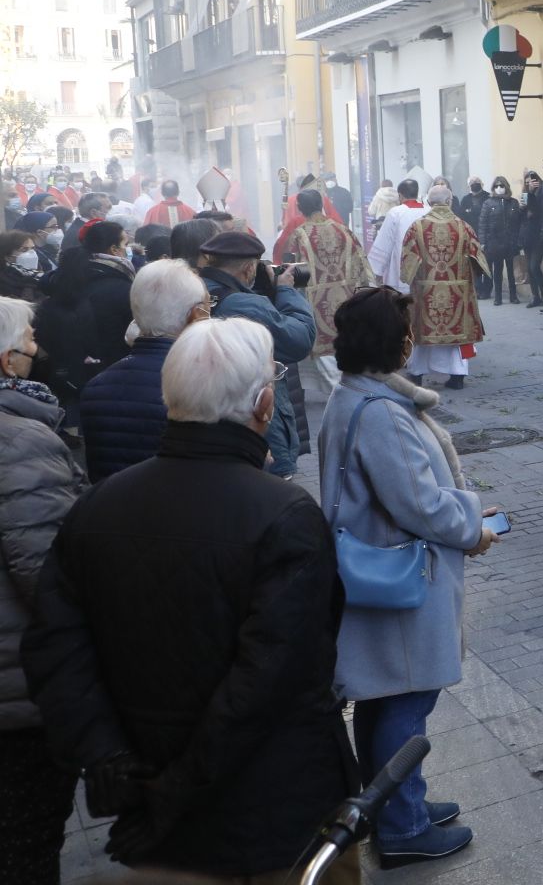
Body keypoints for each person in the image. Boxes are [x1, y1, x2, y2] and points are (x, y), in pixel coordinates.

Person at [23, 318, 358, 880]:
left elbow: (55, 650)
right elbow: (268, 685)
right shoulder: (285, 515)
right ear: (265, 404)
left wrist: (110, 758)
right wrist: (167, 793)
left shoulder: (98, 504)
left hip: (155, 807)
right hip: (274, 820)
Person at [319, 287, 494, 867]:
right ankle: (402, 825)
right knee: (406, 699)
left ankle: (391, 803)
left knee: (387, 695)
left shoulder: (355, 398)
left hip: (383, 564)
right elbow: (420, 505)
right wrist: (474, 528)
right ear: (391, 344)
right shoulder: (382, 416)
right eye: (405, 331)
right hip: (401, 573)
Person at [0, 296, 89, 876]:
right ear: (7, 360)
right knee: (26, 850)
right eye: (29, 338)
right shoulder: (19, 441)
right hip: (17, 693)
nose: (37, 348)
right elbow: (46, 572)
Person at [76, 260, 210, 484]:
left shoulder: (96, 387)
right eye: (208, 305)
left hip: (113, 512)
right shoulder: (200, 384)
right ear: (195, 315)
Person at [196, 231, 316, 478]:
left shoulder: (192, 292)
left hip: (204, 413)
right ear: (250, 267)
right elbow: (299, 339)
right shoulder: (245, 304)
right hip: (252, 421)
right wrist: (286, 291)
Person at [280, 187, 374, 387]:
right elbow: (361, 263)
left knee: (324, 345)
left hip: (316, 299)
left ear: (300, 208)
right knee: (345, 336)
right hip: (346, 297)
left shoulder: (299, 235)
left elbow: (290, 271)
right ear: (321, 205)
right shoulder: (343, 230)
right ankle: (352, 381)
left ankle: (337, 387)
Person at [35, 219, 137, 405]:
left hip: (72, 374)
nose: (128, 250)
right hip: (110, 372)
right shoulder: (121, 288)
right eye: (126, 244)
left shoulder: (71, 275)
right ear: (114, 250)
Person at [400, 185, 486, 390]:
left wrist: (411, 280)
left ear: (429, 202)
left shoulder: (417, 227)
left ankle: (417, 373)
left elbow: (407, 261)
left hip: (425, 292)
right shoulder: (464, 227)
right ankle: (457, 376)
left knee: (422, 331)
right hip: (458, 292)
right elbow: (477, 258)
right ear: (450, 202)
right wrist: (469, 280)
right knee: (456, 333)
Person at [367, 177, 428, 289]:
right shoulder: (429, 211)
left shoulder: (396, 213)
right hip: (426, 271)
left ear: (400, 195)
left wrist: (376, 271)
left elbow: (385, 242)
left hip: (402, 270)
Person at [479, 177, 523, 305]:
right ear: (493, 188)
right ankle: (498, 297)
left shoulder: (513, 202)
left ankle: (513, 296)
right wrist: (483, 242)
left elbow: (519, 223)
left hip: (511, 242)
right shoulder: (488, 203)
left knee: (512, 272)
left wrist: (519, 241)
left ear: (506, 187)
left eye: (502, 185)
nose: (499, 188)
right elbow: (483, 224)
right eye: (497, 186)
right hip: (495, 242)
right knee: (497, 271)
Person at [520, 170, 543, 311]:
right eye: (527, 183)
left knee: (534, 266)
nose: (530, 184)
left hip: (539, 236)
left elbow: (537, 211)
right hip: (528, 236)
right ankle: (536, 296)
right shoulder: (525, 195)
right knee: (529, 268)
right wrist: (521, 207)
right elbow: (523, 216)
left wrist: (532, 193)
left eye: (532, 182)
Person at [0, 230, 42, 301]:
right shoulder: (4, 284)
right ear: (8, 257)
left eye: (32, 248)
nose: (32, 253)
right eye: (24, 250)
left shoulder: (40, 274)